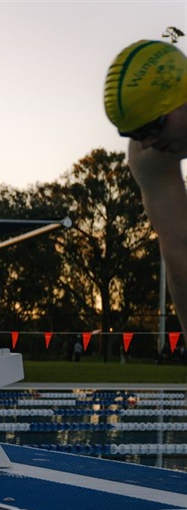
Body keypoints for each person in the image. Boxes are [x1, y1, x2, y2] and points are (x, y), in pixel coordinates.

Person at [104, 39, 187, 341]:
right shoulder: (146, 155)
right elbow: (180, 245)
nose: (147, 141)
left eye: (154, 127)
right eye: (135, 133)